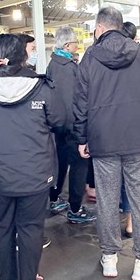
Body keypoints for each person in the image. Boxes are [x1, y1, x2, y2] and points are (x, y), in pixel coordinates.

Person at [73, 6, 140, 280]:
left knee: (106, 199)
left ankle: (109, 259)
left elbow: (80, 103)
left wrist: (82, 138)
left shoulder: (89, 58)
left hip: (103, 140)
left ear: (99, 28)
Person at [0, 34, 66, 280]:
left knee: (0, 228)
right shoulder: (43, 89)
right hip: (34, 174)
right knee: (30, 228)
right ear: (24, 56)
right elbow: (59, 120)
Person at [45, 26, 96, 224]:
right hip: (71, 127)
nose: (78, 46)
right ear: (67, 45)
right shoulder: (66, 67)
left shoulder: (53, 64)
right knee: (78, 167)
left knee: (60, 163)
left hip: (58, 126)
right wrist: (80, 130)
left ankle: (55, 198)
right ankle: (75, 208)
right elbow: (70, 102)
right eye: (76, 42)